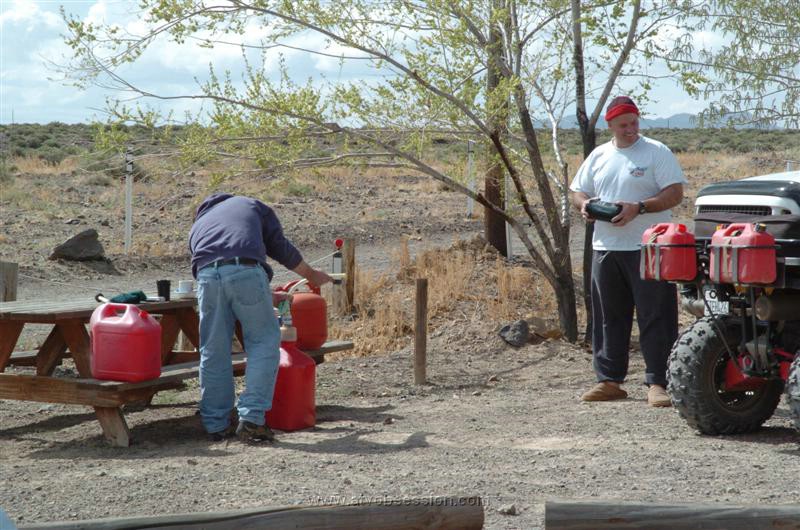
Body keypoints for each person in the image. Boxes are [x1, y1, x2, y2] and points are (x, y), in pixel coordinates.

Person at [569, 96, 686, 408]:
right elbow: (577, 191)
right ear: (611, 125)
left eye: (634, 122)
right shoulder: (599, 155)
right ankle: (609, 381)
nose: (631, 129)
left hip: (650, 245)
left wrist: (640, 207)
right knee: (608, 317)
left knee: (656, 315)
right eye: (624, 124)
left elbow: (675, 192)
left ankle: (658, 383)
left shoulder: (656, 151)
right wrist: (585, 206)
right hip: (606, 247)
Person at [189, 193, 332, 441]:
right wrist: (310, 274)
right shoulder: (252, 205)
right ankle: (252, 418)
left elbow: (222, 268)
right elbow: (278, 247)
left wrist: (262, 293)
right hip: (246, 272)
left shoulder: (199, 223)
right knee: (264, 343)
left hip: (207, 279)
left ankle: (215, 424)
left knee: (214, 350)